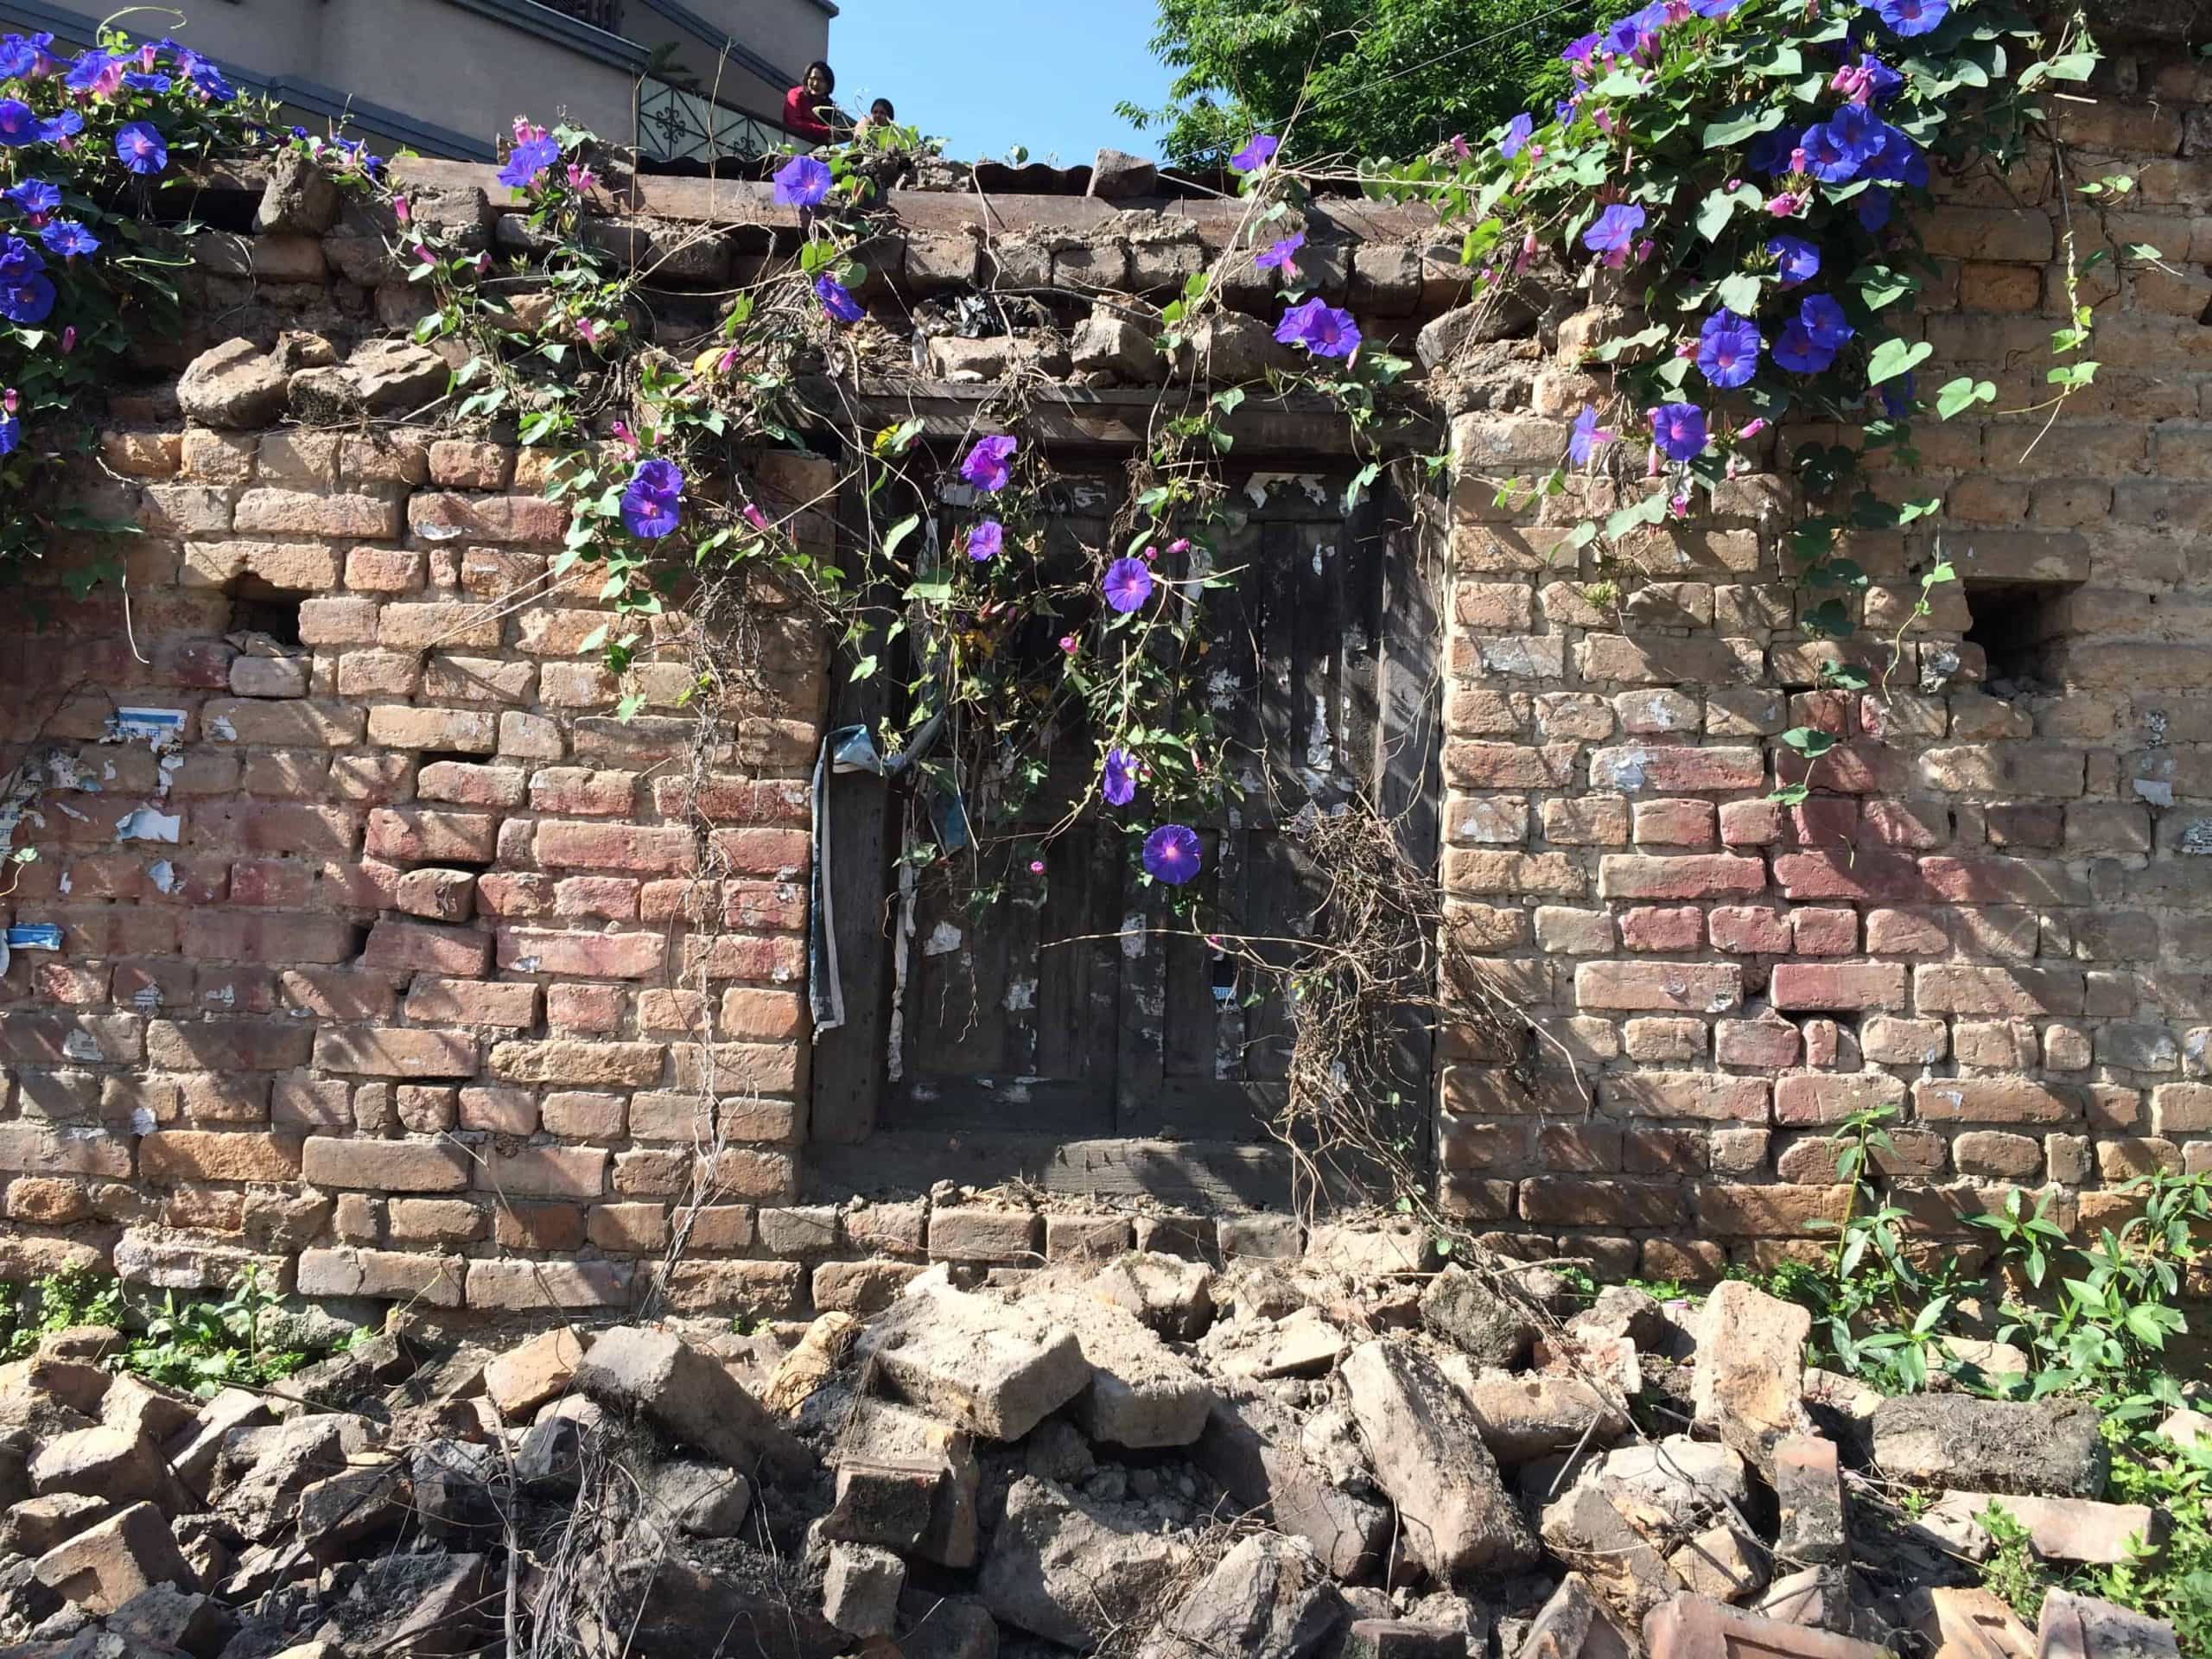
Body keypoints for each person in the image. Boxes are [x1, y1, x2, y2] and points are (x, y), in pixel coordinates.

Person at [783, 60, 846, 143]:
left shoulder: (828, 106)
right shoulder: (796, 94)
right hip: (793, 146)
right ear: (807, 79)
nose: (815, 84)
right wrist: (828, 131)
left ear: (828, 86)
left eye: (821, 80)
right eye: (812, 78)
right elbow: (794, 123)